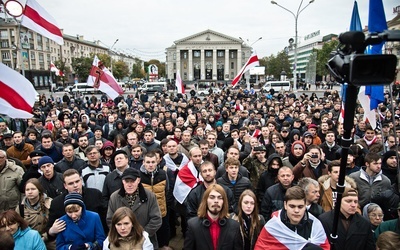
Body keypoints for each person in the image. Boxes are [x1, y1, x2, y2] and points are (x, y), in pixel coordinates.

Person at [255, 186, 329, 249]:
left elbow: (325, 246)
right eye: (292, 206)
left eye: (300, 207)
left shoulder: (315, 225)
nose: (296, 211)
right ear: (285, 205)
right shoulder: (272, 226)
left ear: (305, 206)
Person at [107, 167, 162, 248]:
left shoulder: (150, 196)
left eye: (132, 181)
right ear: (122, 181)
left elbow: (156, 219)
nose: (129, 184)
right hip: (121, 243)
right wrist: (122, 232)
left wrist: (142, 234)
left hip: (145, 242)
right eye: (127, 181)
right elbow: (110, 219)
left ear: (138, 180)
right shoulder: (114, 197)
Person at [46, 169, 107, 240]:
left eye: (77, 181)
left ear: (81, 180)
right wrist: (51, 231)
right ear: (65, 186)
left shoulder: (95, 194)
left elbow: (104, 219)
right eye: (71, 183)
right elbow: (50, 229)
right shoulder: (56, 203)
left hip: (95, 240)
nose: (75, 185)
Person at [184, 184, 243, 249]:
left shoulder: (234, 226)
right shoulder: (193, 226)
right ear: (205, 200)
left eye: (220, 198)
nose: (216, 201)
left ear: (224, 202)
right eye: (212, 197)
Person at [16, 178, 55, 249]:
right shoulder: (20, 208)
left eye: (33, 189)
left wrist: (45, 237)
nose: (30, 192)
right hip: (31, 242)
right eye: (27, 190)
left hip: (50, 241)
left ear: (39, 190)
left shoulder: (50, 203)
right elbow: (19, 227)